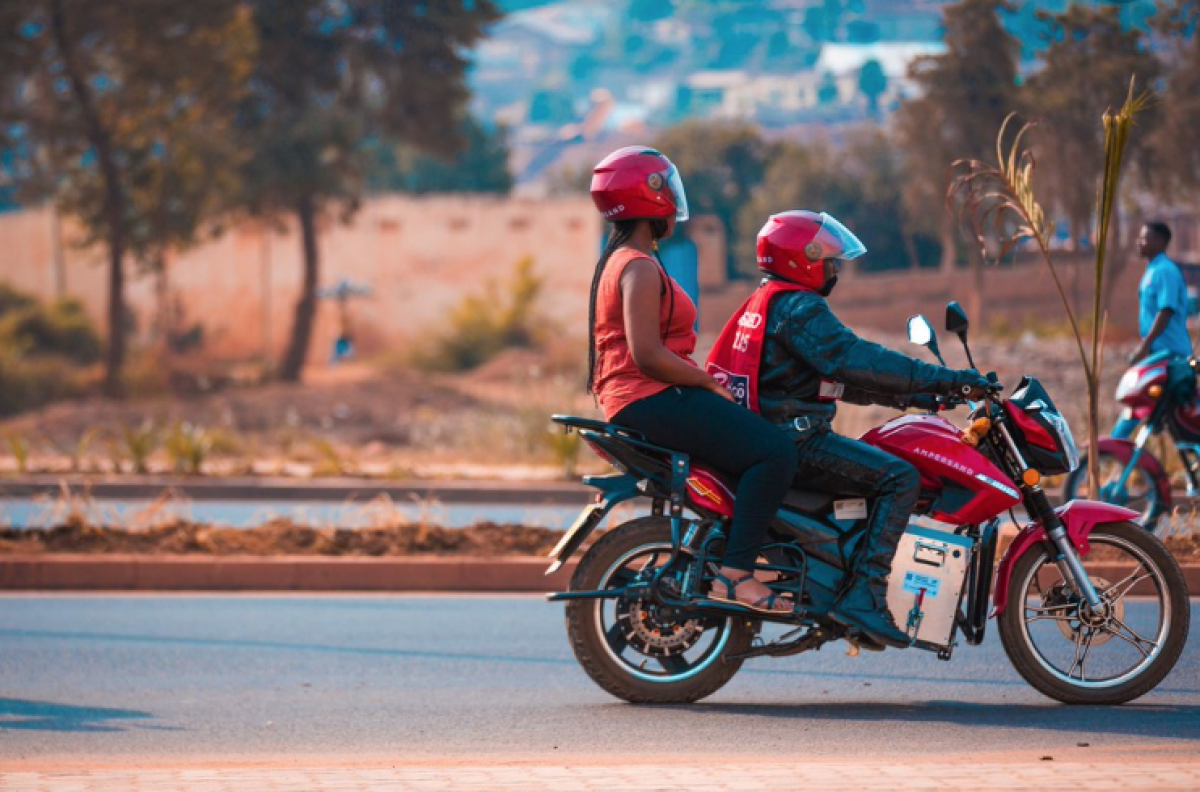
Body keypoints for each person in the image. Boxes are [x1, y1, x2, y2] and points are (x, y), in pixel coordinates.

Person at [706, 210, 989, 647]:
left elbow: (833, 381)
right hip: (797, 439)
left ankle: (843, 575)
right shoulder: (800, 307)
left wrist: (920, 396)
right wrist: (948, 379)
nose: (835, 269)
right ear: (802, 258)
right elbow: (857, 359)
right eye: (828, 260)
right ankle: (864, 595)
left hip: (772, 431)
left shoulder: (769, 300)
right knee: (900, 477)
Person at [588, 146, 799, 615]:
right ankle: (736, 575)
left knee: (748, 449)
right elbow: (647, 354)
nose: (675, 205)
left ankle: (739, 552)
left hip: (636, 397)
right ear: (650, 198)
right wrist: (705, 384)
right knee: (775, 452)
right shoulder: (638, 267)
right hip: (648, 397)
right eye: (667, 189)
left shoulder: (622, 260)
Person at [1112, 221, 1191, 440]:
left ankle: (1112, 449)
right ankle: (1114, 449)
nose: (1139, 242)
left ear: (1161, 242)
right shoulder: (1153, 269)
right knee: (1163, 413)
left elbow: (1166, 310)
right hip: (1157, 353)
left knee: (1141, 403)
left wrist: (1144, 346)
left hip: (1170, 355)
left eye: (1145, 238)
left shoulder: (1165, 270)